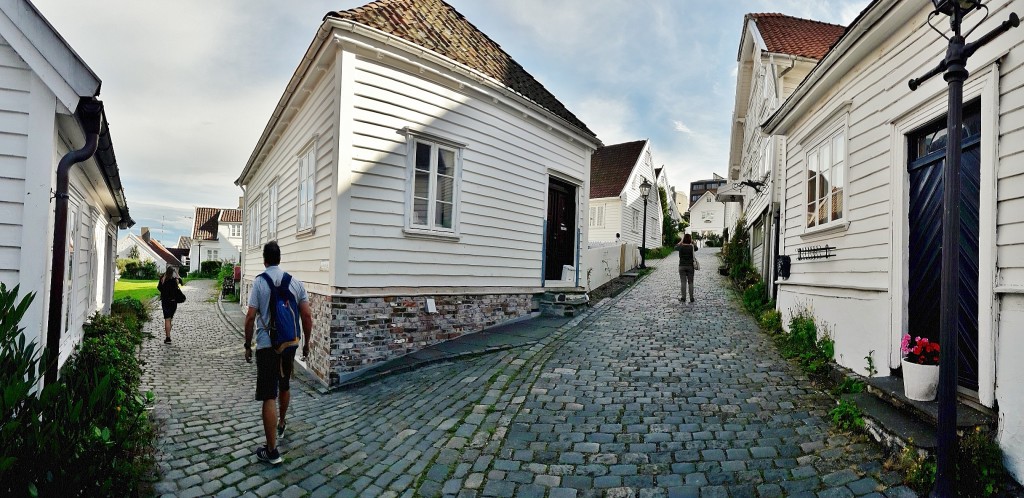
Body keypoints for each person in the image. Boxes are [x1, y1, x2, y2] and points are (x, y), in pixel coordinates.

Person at [244, 241, 313, 465]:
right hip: (289, 343)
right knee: (284, 384)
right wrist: (307, 343)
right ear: (279, 258)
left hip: (267, 345)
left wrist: (247, 345)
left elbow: (250, 317)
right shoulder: (296, 283)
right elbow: (307, 316)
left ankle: (272, 451)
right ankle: (282, 423)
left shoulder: (259, 283)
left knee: (268, 395)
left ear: (264, 259)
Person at [157, 267, 183, 343]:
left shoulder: (162, 279)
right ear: (173, 272)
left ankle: (168, 337)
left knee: (167, 319)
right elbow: (182, 282)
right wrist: (177, 273)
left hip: (165, 302)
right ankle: (168, 334)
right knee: (170, 319)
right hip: (173, 302)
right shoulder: (175, 280)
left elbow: (159, 288)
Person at [676, 233, 698, 303]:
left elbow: (675, 247)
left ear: (684, 239)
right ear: (690, 239)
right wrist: (693, 242)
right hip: (690, 266)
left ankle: (683, 298)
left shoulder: (681, 247)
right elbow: (696, 248)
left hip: (682, 266)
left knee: (683, 282)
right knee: (690, 282)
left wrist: (681, 241)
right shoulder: (692, 247)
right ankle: (691, 298)